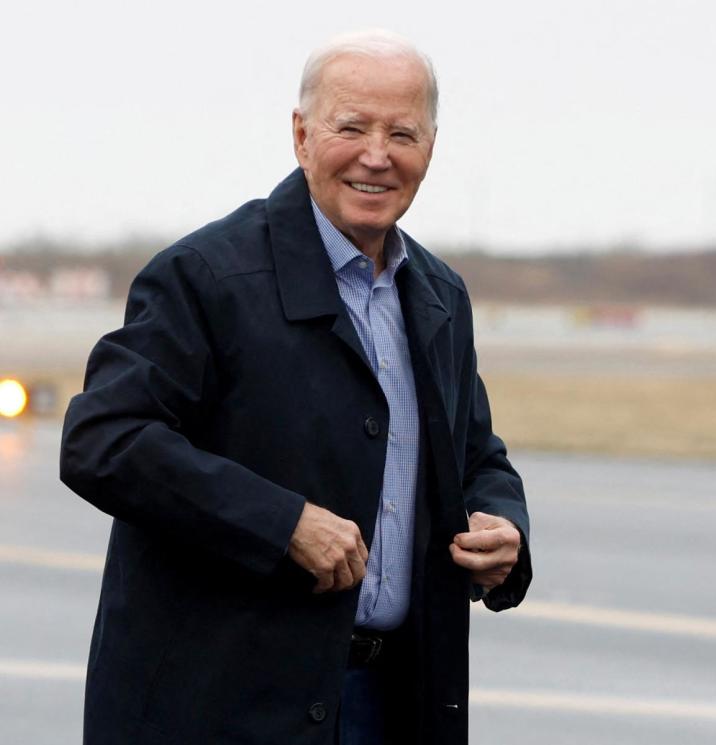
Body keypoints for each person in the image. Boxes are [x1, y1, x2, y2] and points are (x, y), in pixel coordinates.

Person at [59, 29, 531, 745]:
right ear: (302, 135)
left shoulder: (438, 295)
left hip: (391, 701)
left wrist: (504, 525)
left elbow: (475, 455)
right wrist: (279, 522)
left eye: (402, 132)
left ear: (431, 147)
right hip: (222, 711)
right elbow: (104, 440)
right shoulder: (207, 277)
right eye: (352, 127)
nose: (377, 154)